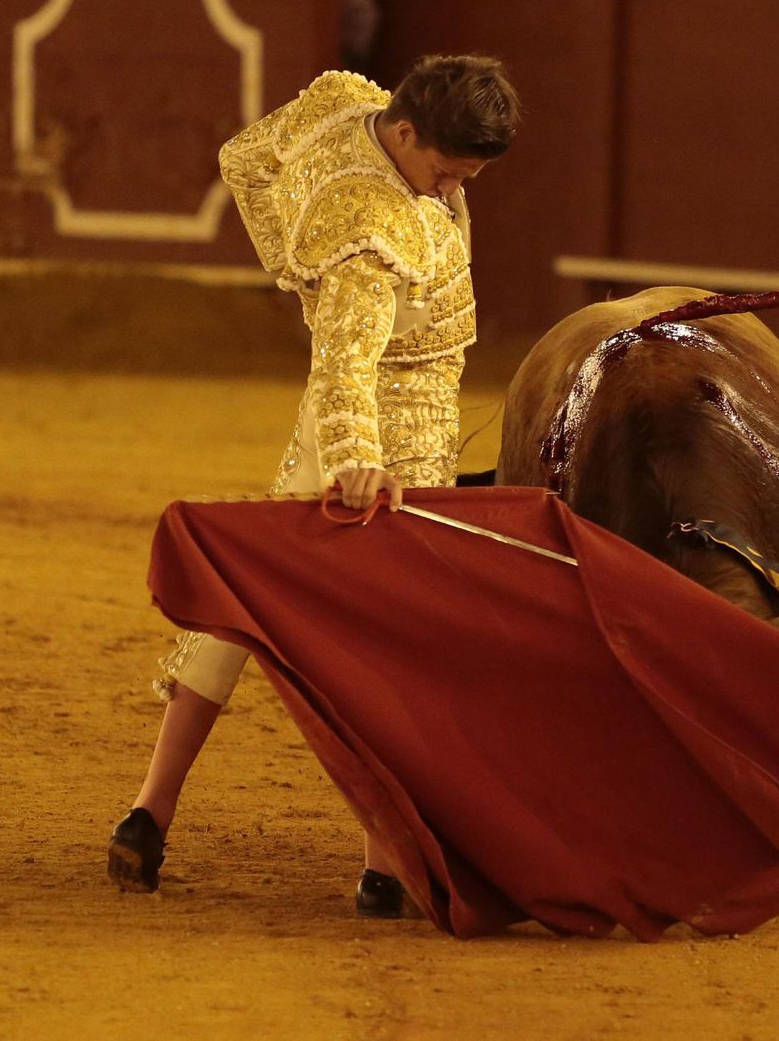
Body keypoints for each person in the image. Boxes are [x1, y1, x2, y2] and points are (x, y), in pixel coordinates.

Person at [107, 55, 520, 916]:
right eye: (446, 173)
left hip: (345, 423)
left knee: (247, 596)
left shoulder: (347, 102)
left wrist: (296, 265)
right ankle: (382, 866)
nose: (450, 193)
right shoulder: (370, 230)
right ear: (407, 135)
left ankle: (150, 810)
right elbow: (346, 365)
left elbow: (243, 158)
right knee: (396, 643)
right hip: (394, 430)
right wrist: (357, 456)